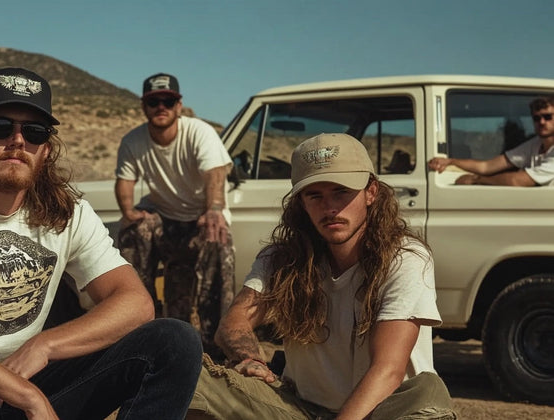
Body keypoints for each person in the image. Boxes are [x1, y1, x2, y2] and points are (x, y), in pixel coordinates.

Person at [0, 67, 202, 420]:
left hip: (20, 388)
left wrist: (45, 345)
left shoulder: (67, 213)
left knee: (174, 341)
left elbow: (136, 303)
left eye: (34, 132)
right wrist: (28, 396)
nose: (17, 141)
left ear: (45, 149)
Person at [187, 133, 457, 420]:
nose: (330, 208)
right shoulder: (282, 258)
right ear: (301, 203)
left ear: (371, 192)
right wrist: (251, 359)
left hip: (385, 411)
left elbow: (388, 370)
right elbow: (233, 323)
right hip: (302, 409)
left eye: (341, 191)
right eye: (315, 195)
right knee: (186, 382)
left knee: (428, 392)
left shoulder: (404, 257)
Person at [114, 72, 234, 358]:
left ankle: (215, 342)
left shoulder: (199, 132)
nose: (161, 107)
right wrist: (129, 212)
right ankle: (140, 328)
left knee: (217, 237)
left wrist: (214, 209)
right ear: (144, 106)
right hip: (166, 221)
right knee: (134, 231)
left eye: (168, 100)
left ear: (179, 106)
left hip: (201, 218)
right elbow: (124, 181)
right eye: (154, 101)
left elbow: (215, 172)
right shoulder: (133, 140)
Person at [428, 96, 554, 186]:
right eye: (537, 118)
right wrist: (451, 161)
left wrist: (476, 180)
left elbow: (518, 181)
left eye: (548, 117)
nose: (542, 122)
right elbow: (487, 167)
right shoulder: (535, 144)